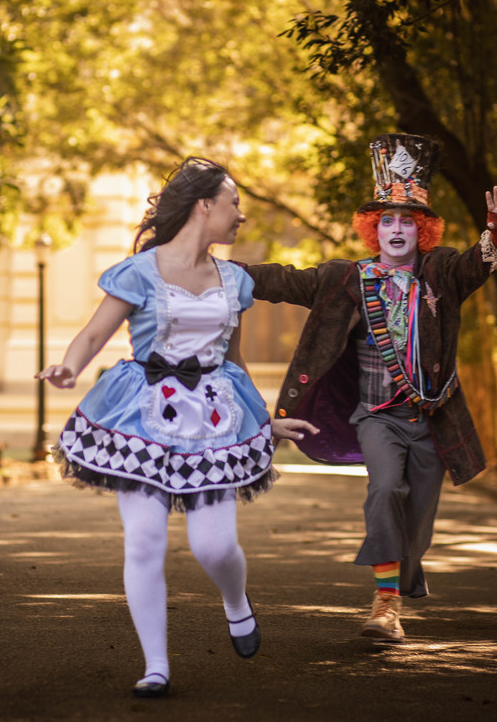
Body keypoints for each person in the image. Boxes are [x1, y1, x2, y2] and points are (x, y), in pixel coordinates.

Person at [37, 157, 315, 698]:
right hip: (139, 416)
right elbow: (94, 334)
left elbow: (233, 363)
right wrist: (68, 366)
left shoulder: (234, 280)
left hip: (214, 421)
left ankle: (236, 602)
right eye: (234, 204)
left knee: (214, 548)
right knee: (143, 541)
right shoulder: (138, 270)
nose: (241, 217)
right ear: (204, 205)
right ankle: (156, 665)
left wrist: (266, 421)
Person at [242, 133, 497, 642]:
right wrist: (214, 269)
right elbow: (281, 280)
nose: (396, 228)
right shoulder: (345, 279)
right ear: (374, 230)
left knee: (419, 521)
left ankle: (401, 575)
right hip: (375, 416)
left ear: (423, 230)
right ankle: (385, 605)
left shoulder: (442, 272)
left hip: (434, 417)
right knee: (386, 488)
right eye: (386, 220)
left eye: (407, 221)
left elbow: (480, 263)